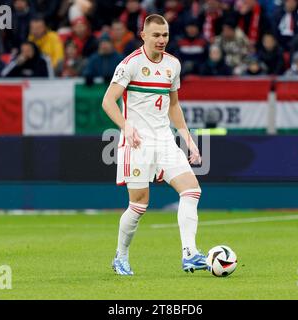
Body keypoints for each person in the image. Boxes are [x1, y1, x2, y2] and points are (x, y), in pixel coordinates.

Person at [102, 14, 206, 276]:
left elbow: (173, 105)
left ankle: (190, 254)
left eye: (165, 35)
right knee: (139, 205)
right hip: (136, 144)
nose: (162, 40)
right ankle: (121, 257)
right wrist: (126, 127)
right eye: (156, 35)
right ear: (144, 36)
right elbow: (108, 101)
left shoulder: (173, 65)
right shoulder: (130, 65)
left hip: (164, 140)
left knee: (192, 190)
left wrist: (188, 140)